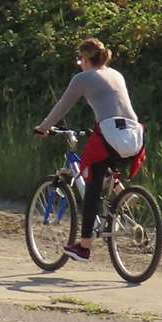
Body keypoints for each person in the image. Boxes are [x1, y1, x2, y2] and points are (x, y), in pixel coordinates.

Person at [34, 37, 145, 261]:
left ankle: (83, 247)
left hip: (111, 135)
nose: (80, 63)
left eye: (80, 59)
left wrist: (44, 128)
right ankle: (121, 191)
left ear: (85, 59)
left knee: (92, 184)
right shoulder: (116, 74)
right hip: (134, 136)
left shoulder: (83, 78)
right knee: (104, 161)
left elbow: (62, 106)